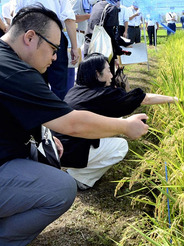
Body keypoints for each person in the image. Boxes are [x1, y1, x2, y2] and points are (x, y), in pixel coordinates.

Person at [0, 5, 148, 244]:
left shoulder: (7, 61)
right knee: (62, 189)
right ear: (30, 37)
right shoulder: (15, 72)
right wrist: (125, 127)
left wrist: (44, 136)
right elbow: (73, 124)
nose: (55, 57)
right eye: (53, 48)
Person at [54, 53, 184, 190]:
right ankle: (80, 178)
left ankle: (81, 167)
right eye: (108, 71)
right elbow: (145, 99)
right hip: (70, 152)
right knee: (121, 146)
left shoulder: (76, 90)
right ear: (97, 74)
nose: (111, 75)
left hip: (58, 148)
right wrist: (177, 100)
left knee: (117, 121)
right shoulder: (103, 95)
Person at [15, 0, 81, 100]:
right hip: (53, 37)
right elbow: (69, 18)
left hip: (30, 38)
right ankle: (59, 112)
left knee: (33, 82)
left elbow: (17, 19)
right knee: (59, 85)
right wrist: (74, 47)